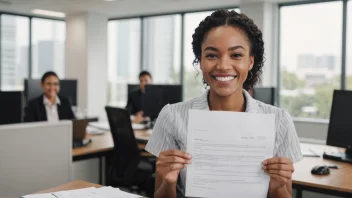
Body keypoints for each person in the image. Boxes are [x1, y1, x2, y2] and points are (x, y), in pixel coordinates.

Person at [145, 10, 303, 198]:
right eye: (212, 55)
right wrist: (168, 182)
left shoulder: (280, 121)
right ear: (200, 61)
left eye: (236, 55)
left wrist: (276, 188)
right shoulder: (172, 116)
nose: (223, 66)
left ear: (250, 61)